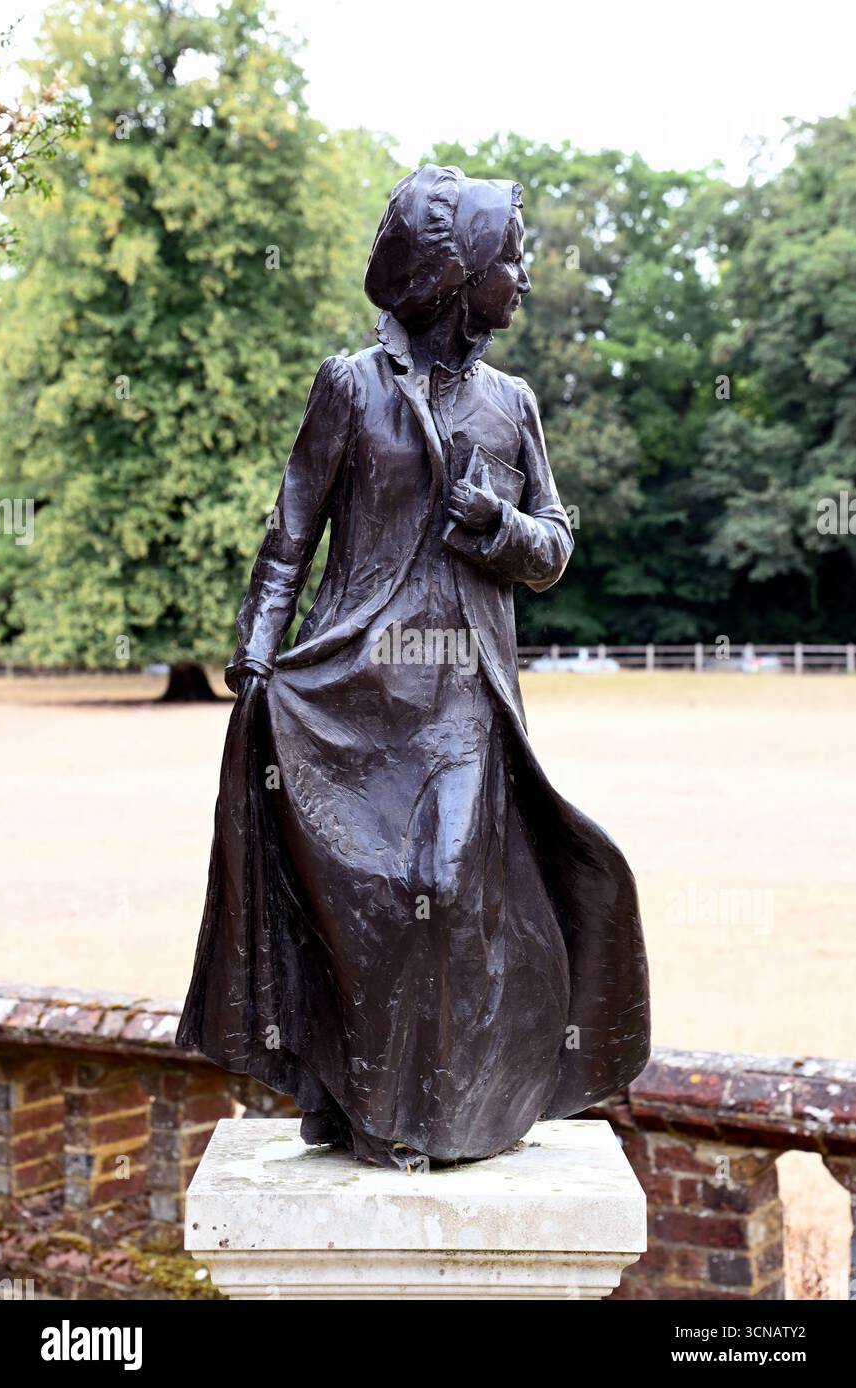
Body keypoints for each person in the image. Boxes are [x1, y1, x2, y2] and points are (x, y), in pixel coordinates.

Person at [177, 164, 650, 1167]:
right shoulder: (351, 386)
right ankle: (364, 1103)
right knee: (370, 904)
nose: (523, 273)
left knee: (442, 887)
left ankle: (441, 1109)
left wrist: (502, 528)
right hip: (354, 689)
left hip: (463, 701)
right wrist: (256, 651)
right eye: (508, 255)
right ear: (452, 271)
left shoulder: (512, 403)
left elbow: (555, 548)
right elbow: (290, 531)